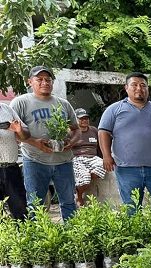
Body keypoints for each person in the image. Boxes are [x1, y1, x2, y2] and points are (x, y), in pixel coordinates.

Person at [98, 72, 151, 210]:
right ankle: (135, 232)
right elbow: (103, 132)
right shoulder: (114, 110)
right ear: (126, 88)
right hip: (127, 169)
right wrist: (106, 156)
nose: (139, 88)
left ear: (147, 89)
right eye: (134, 85)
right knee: (131, 209)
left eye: (143, 85)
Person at [11, 66, 79, 221]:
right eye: (39, 79)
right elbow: (14, 132)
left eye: (48, 79)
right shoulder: (20, 103)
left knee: (69, 201)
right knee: (35, 203)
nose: (44, 82)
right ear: (30, 82)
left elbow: (76, 130)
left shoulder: (63, 104)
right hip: (35, 160)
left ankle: (73, 236)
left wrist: (71, 142)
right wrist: (34, 142)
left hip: (64, 161)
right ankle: (37, 238)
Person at [0, 102, 30, 219]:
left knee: (21, 210)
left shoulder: (7, 109)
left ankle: (24, 236)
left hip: (11, 168)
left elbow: (26, 135)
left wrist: (19, 130)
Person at [71, 108, 106, 206]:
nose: (84, 120)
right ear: (76, 120)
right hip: (77, 158)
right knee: (85, 179)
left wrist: (105, 157)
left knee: (104, 165)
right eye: (81, 119)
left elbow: (100, 146)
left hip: (93, 158)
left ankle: (83, 179)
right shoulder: (71, 132)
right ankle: (79, 194)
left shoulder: (94, 130)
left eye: (86, 118)